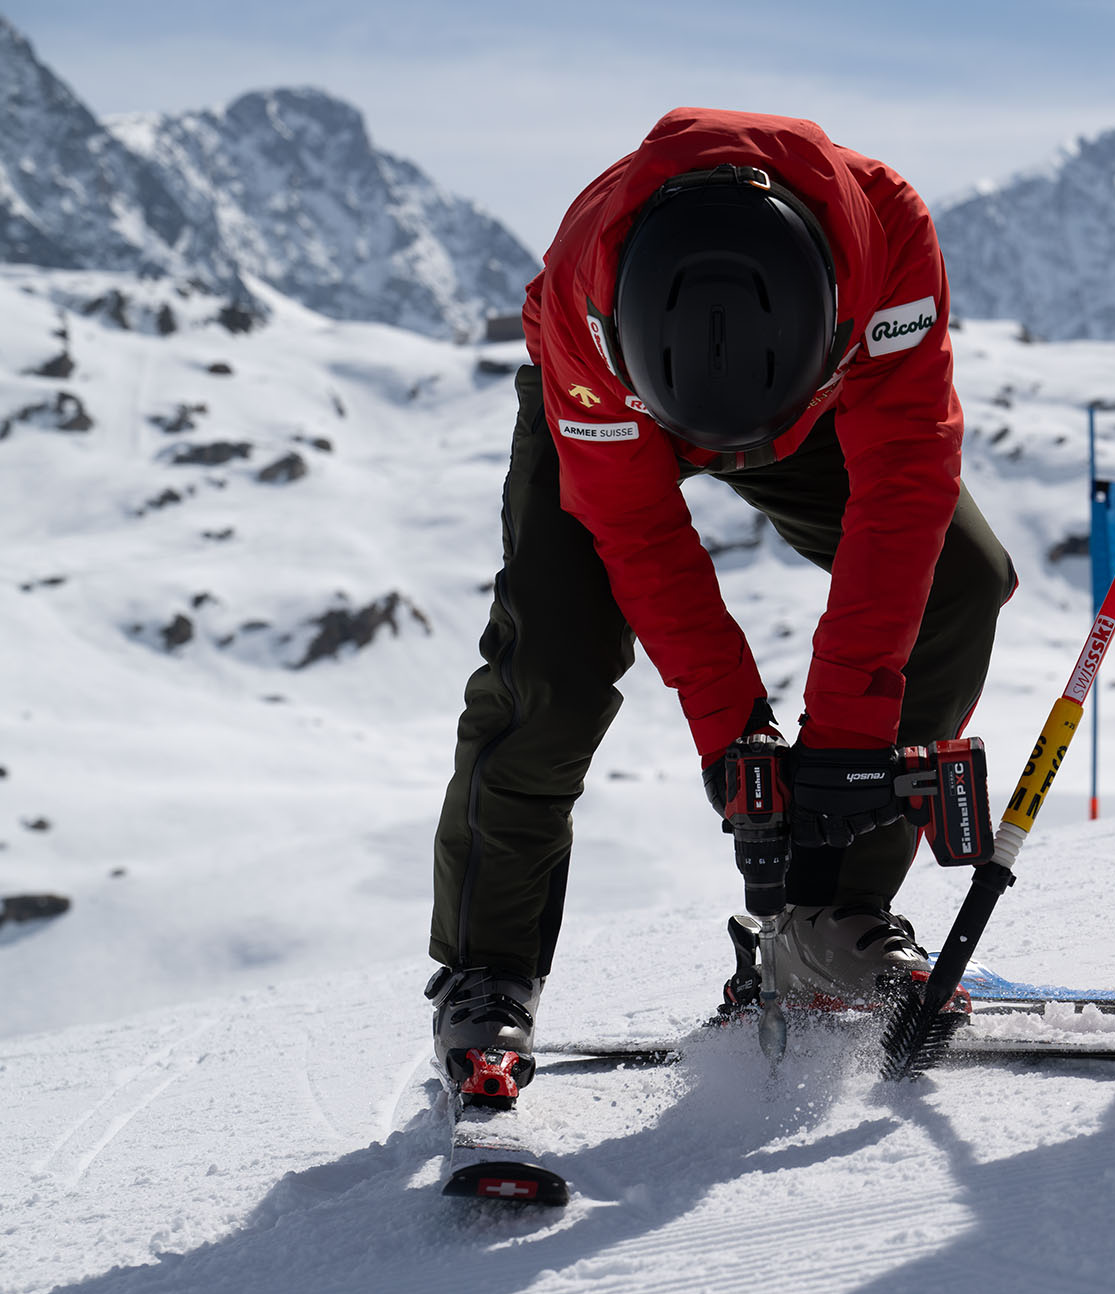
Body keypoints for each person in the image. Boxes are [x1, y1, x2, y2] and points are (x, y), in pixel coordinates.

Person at [423, 109, 1015, 1078]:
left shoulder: (888, 235)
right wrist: (733, 735)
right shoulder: (583, 304)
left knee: (961, 580)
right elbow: (641, 534)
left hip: (817, 406)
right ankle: (486, 968)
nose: (730, 463)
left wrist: (848, 744)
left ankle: (830, 915)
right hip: (609, 415)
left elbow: (905, 485)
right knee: (550, 670)